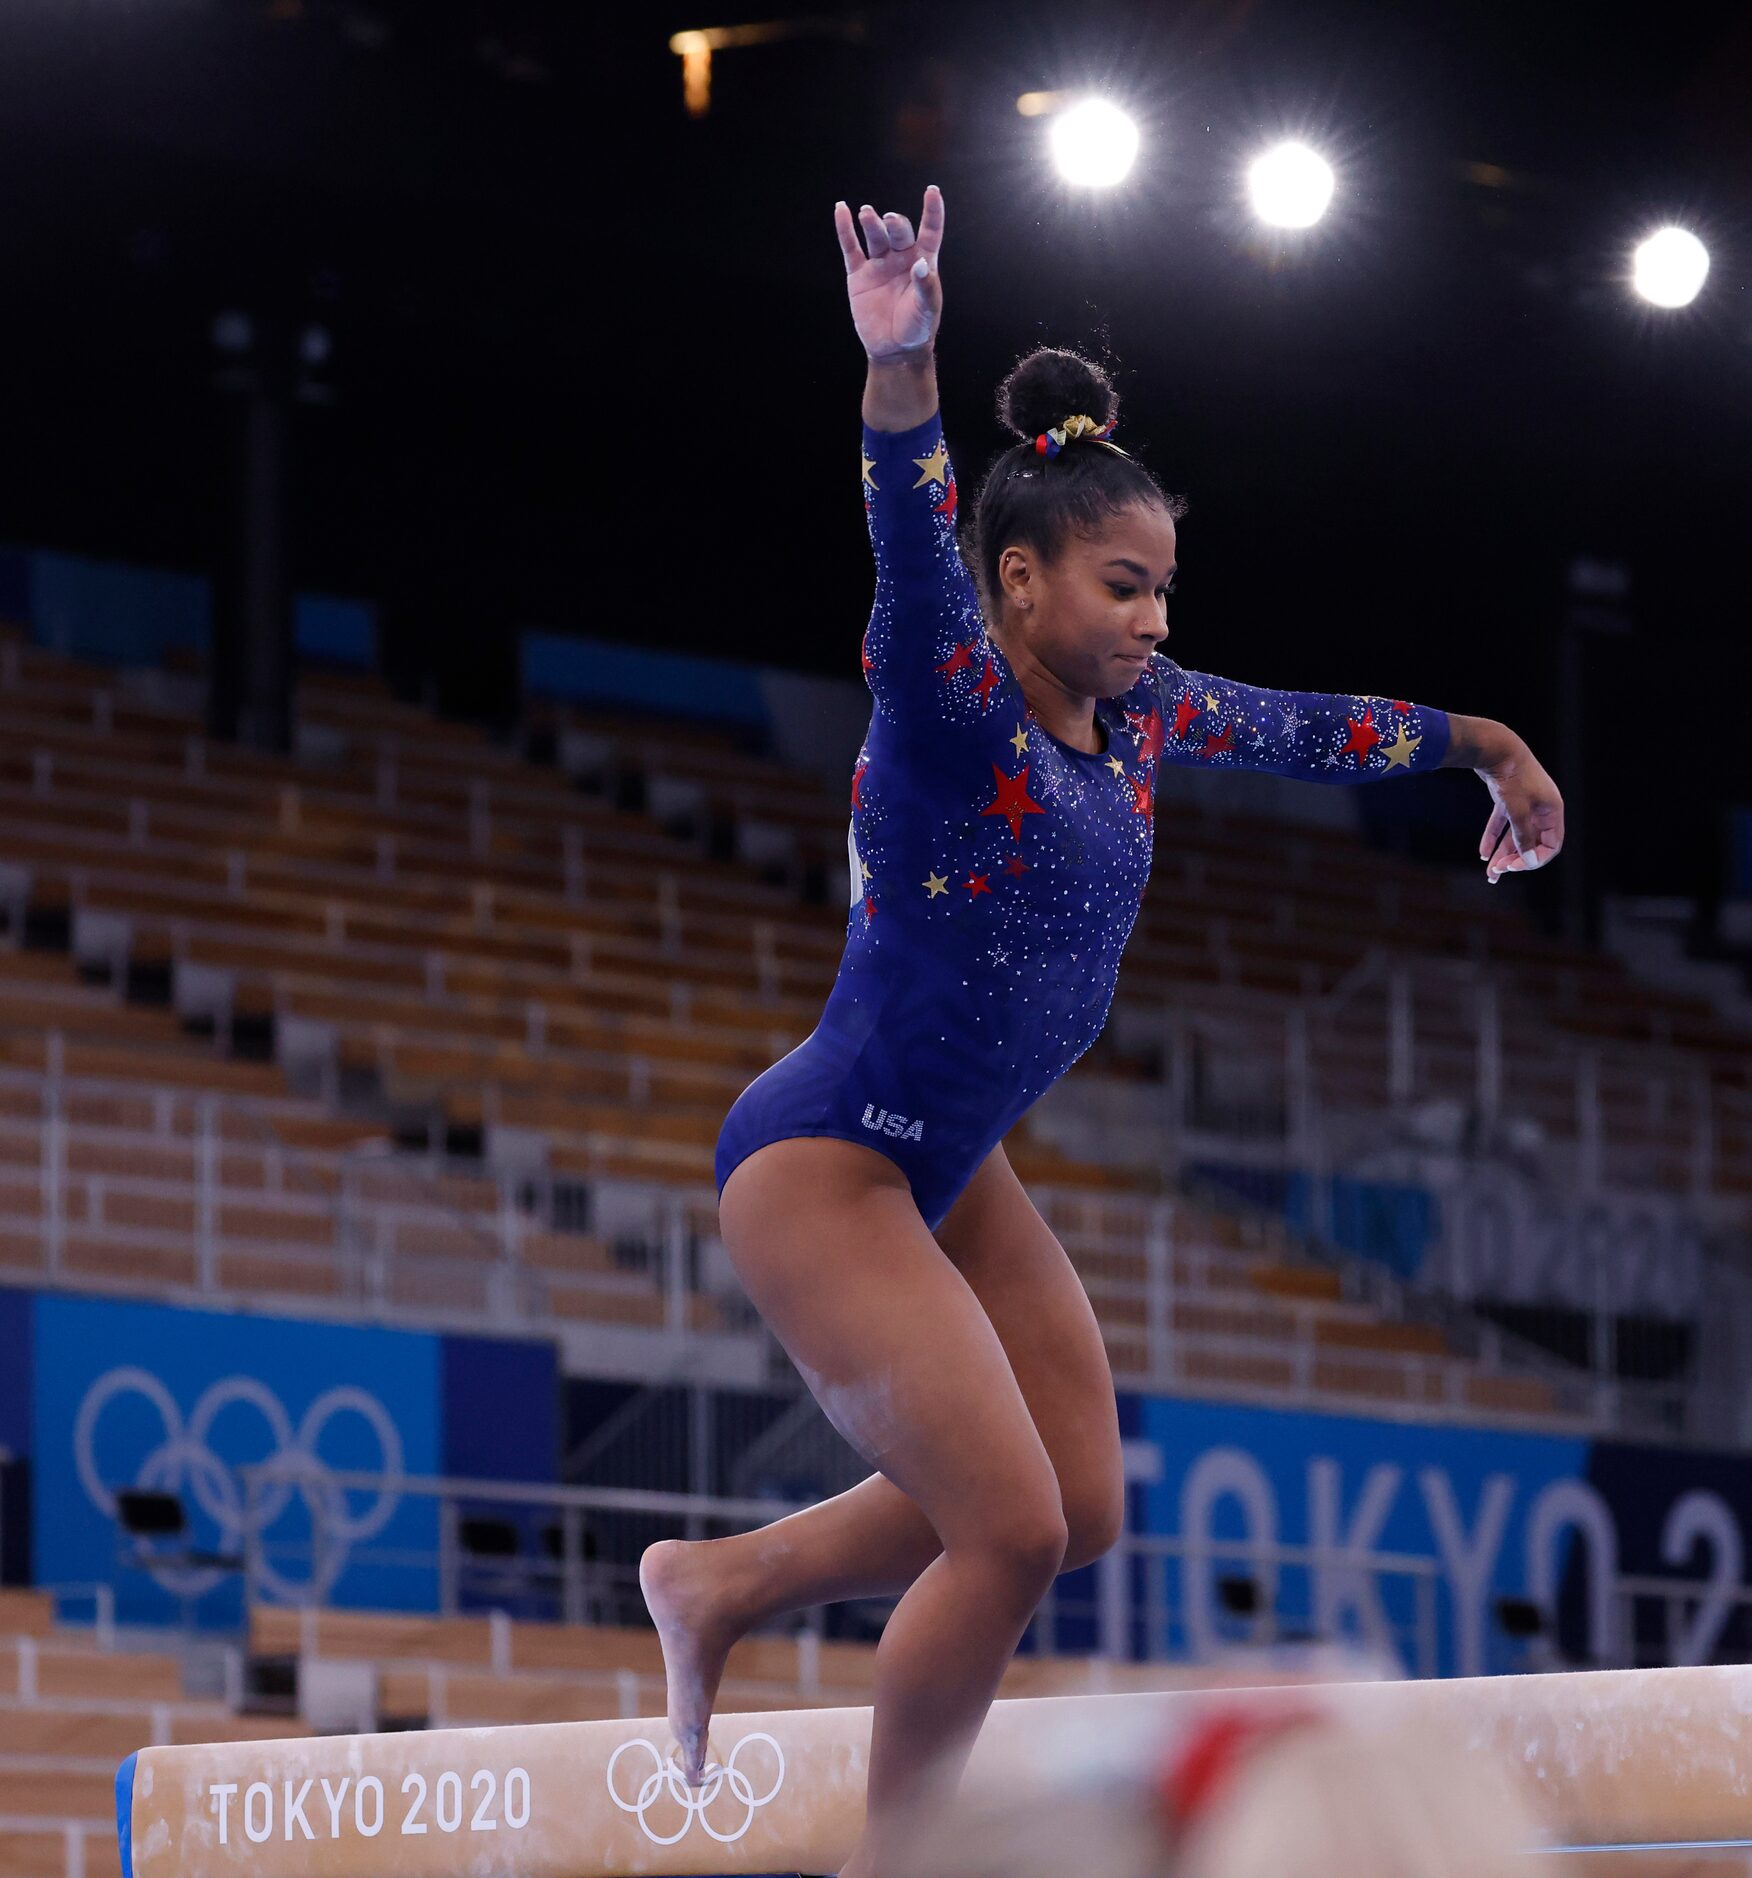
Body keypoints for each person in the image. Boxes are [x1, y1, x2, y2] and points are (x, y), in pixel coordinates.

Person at [640, 183, 1565, 1878]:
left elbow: (1310, 725)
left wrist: (1489, 743)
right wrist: (901, 358)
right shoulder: (948, 692)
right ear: (1019, 579)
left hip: (949, 1157)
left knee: (1081, 1502)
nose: (1155, 620)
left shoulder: (1138, 721)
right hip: (831, 1158)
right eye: (1125, 588)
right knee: (1003, 1528)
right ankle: (900, 1853)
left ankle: (722, 1580)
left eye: (1165, 591)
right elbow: (903, 527)